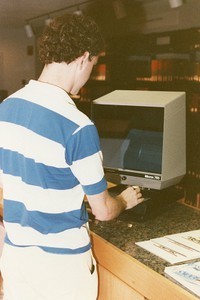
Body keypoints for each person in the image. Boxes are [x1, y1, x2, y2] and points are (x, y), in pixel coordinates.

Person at [0, 13, 143, 300]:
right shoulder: (77, 126)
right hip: (62, 268)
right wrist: (124, 201)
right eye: (94, 64)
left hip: (16, 257)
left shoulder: (6, 108)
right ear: (83, 58)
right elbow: (102, 211)